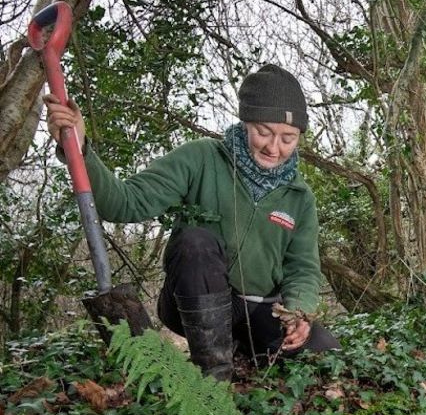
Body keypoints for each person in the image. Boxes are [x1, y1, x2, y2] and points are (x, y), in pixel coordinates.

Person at [44, 64, 340, 380]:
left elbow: (303, 268)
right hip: (191, 301)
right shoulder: (201, 158)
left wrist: (298, 313)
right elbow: (124, 203)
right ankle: (214, 378)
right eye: (263, 132)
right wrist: (79, 148)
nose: (273, 147)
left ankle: (241, 347)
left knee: (327, 355)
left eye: (288, 138)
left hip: (259, 309)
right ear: (245, 123)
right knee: (195, 241)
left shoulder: (299, 197)